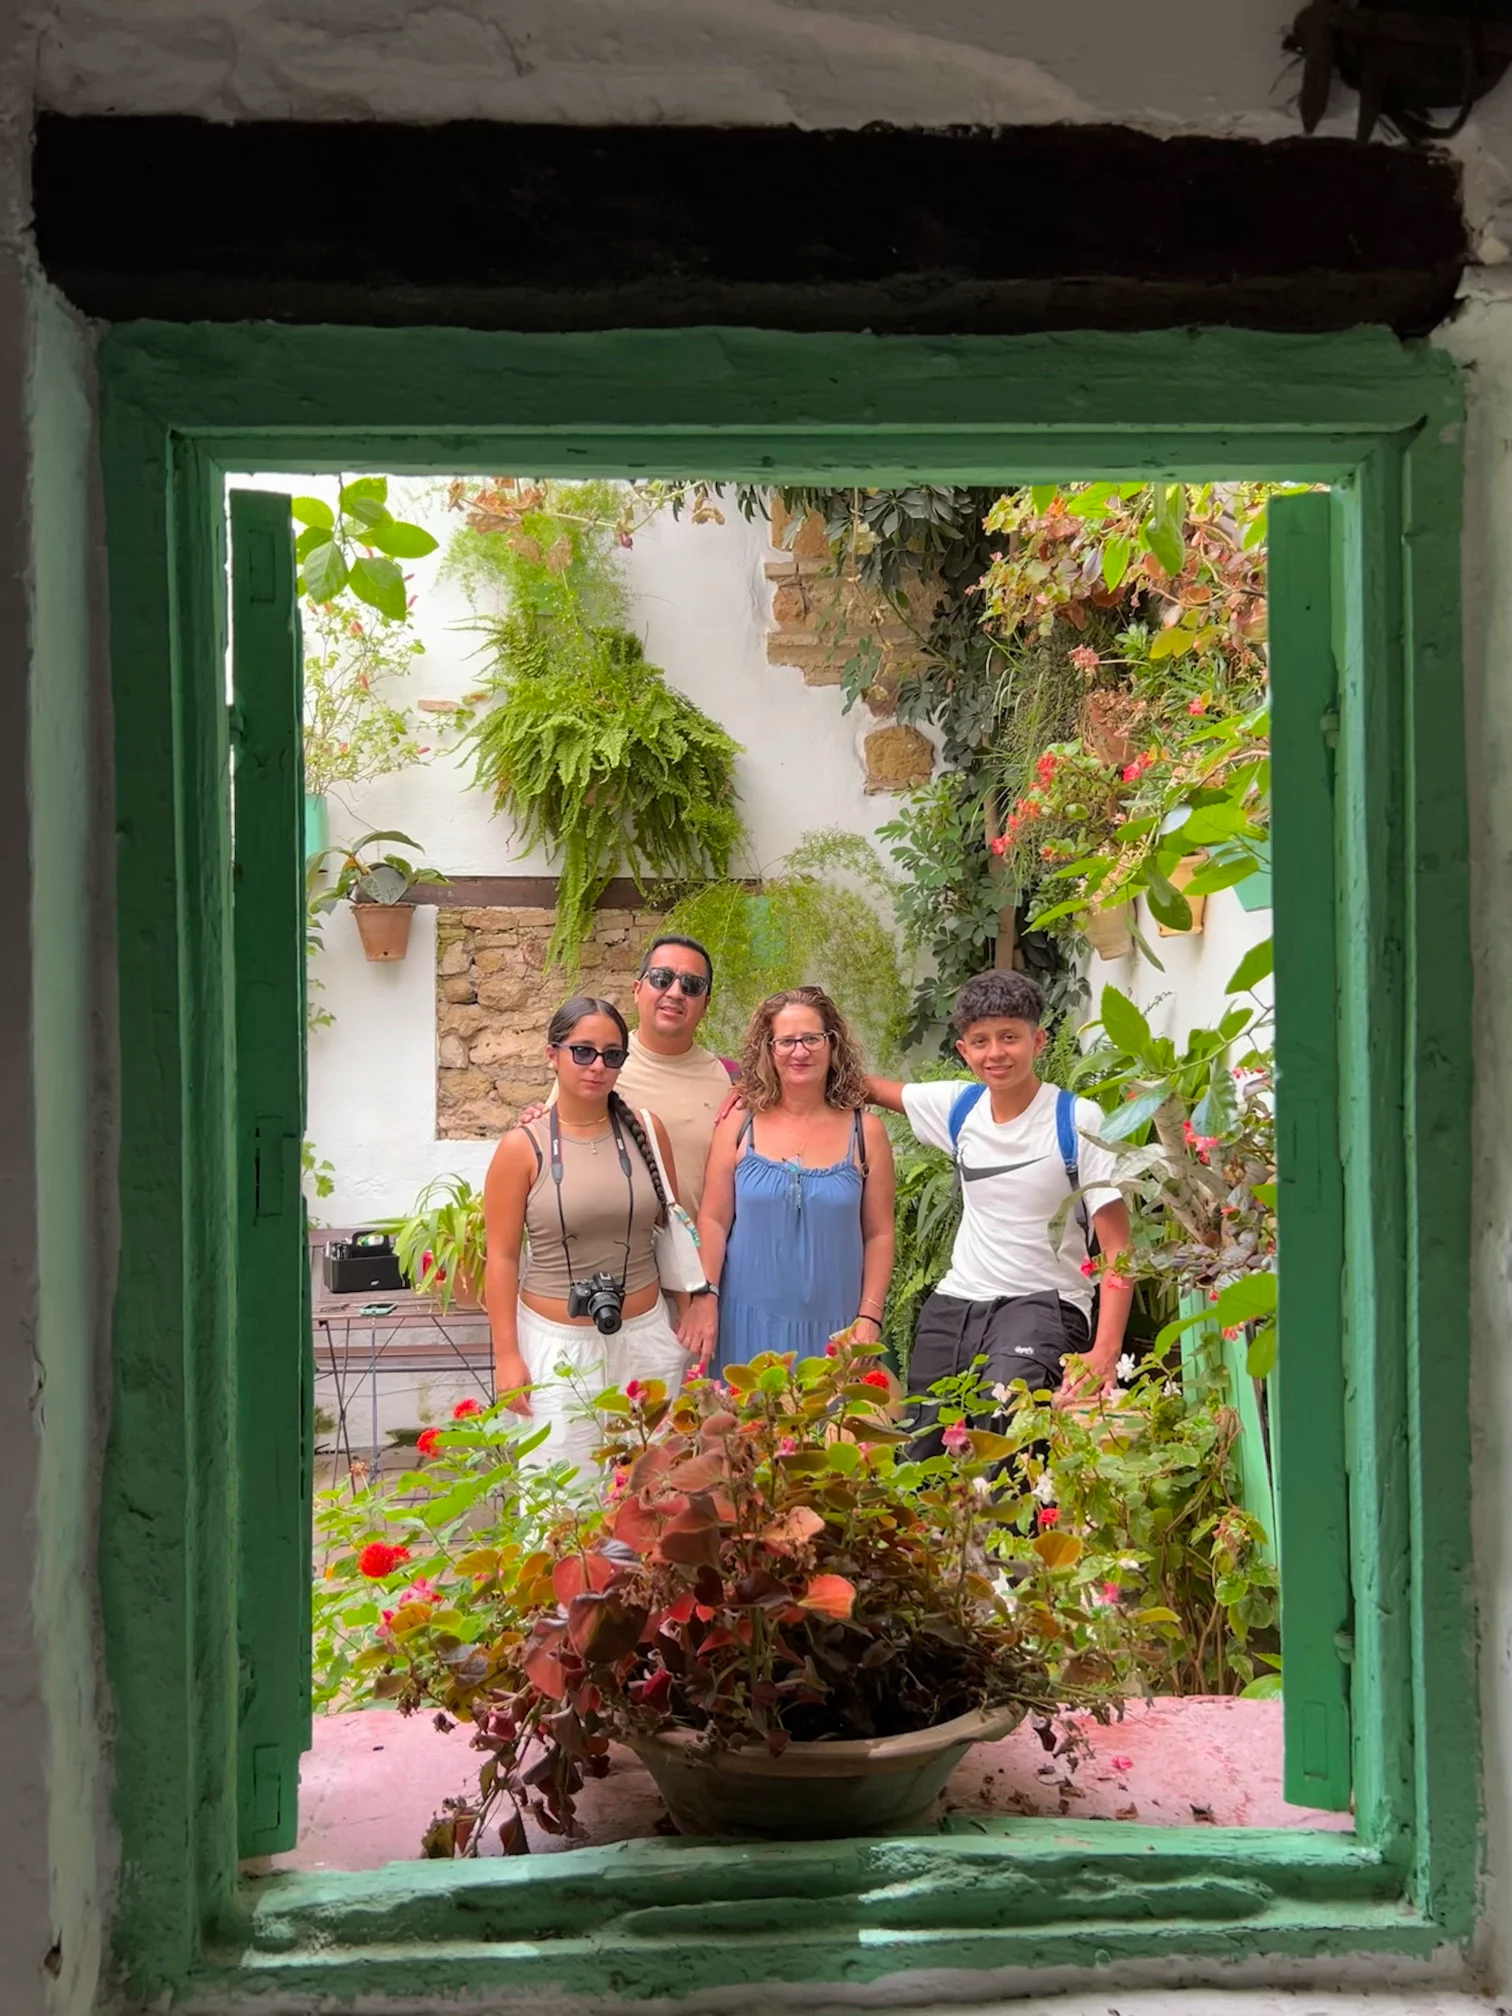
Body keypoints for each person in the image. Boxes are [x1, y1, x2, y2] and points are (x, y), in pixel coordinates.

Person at [863, 970, 1133, 1447]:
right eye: (981, 1041)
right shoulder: (957, 1107)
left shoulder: (1078, 1119)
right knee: (923, 1443)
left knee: (1007, 1433)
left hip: (1045, 1304)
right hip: (956, 1302)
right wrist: (755, 1089)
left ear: (1038, 1040)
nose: (996, 1053)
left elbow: (1117, 1248)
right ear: (964, 1051)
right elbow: (861, 1085)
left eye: (1010, 1037)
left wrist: (1104, 1350)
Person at [482, 995, 699, 1480]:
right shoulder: (522, 1147)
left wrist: (685, 1313)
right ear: (552, 1055)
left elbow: (672, 1227)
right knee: (561, 1500)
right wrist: (506, 1356)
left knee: (649, 1494)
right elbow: (500, 1257)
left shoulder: (646, 1130)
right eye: (582, 1051)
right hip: (558, 1347)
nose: (597, 1065)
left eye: (612, 1054)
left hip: (647, 1338)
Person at [681, 987, 895, 1376]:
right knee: (747, 1432)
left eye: (812, 1038)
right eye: (786, 1041)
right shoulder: (738, 1125)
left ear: (833, 1044)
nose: (800, 1052)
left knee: (832, 1434)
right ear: (768, 1049)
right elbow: (712, 1220)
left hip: (838, 1330)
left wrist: (870, 1317)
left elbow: (878, 1234)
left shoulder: (866, 1133)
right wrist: (706, 1296)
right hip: (743, 1323)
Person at [519, 933, 735, 1217]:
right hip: (612, 1250)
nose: (674, 993)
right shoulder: (600, 1063)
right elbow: (552, 1150)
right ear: (636, 990)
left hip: (693, 1254)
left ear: (705, 1003)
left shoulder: (727, 1078)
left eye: (691, 985)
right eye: (661, 978)